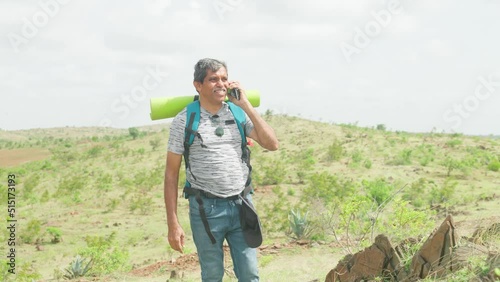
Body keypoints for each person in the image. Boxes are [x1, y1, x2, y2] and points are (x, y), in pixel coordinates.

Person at [164, 58, 279, 281]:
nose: (221, 84)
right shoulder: (184, 121)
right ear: (198, 85)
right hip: (206, 210)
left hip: (242, 205)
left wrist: (245, 105)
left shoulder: (237, 114)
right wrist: (173, 223)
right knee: (212, 275)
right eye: (213, 79)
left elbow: (272, 143)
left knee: (250, 274)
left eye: (224, 79)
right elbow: (171, 175)